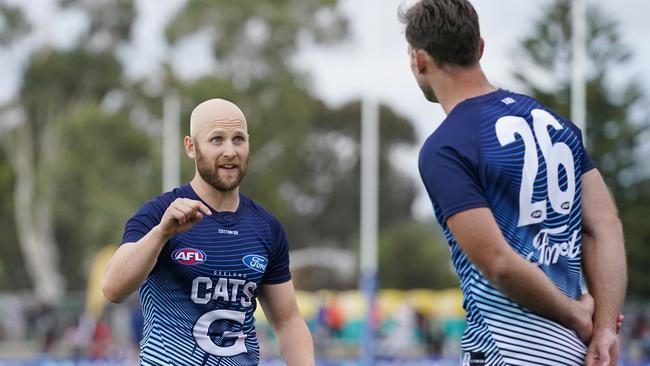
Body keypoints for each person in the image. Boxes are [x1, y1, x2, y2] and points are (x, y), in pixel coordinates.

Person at [399, 1, 627, 365]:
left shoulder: (446, 146)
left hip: (504, 353)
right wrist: (604, 331)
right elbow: (604, 225)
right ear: (480, 48)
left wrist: (576, 315)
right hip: (578, 354)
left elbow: (499, 263)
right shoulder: (558, 126)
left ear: (420, 60)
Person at [102, 98, 315, 365]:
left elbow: (288, 322)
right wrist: (162, 233)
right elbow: (113, 290)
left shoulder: (267, 228)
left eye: (238, 139)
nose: (230, 151)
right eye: (217, 140)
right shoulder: (158, 214)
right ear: (191, 147)